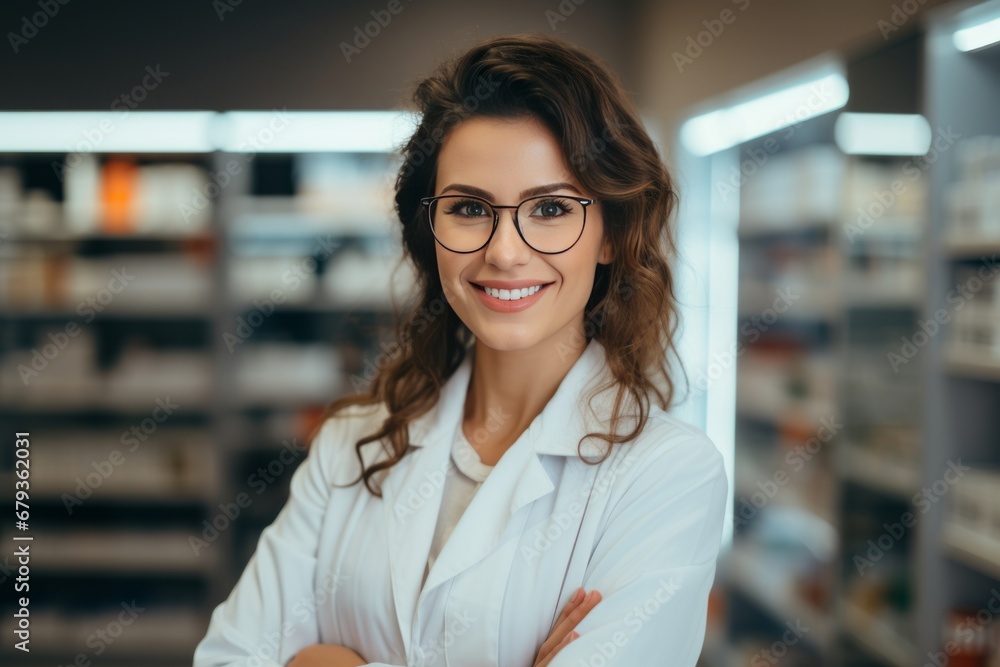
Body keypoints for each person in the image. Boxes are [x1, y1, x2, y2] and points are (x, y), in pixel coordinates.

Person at [193, 32, 728, 667]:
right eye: (471, 207)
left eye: (551, 208)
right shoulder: (353, 444)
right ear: (432, 231)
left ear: (609, 233)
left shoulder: (666, 476)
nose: (504, 251)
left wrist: (325, 662)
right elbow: (227, 658)